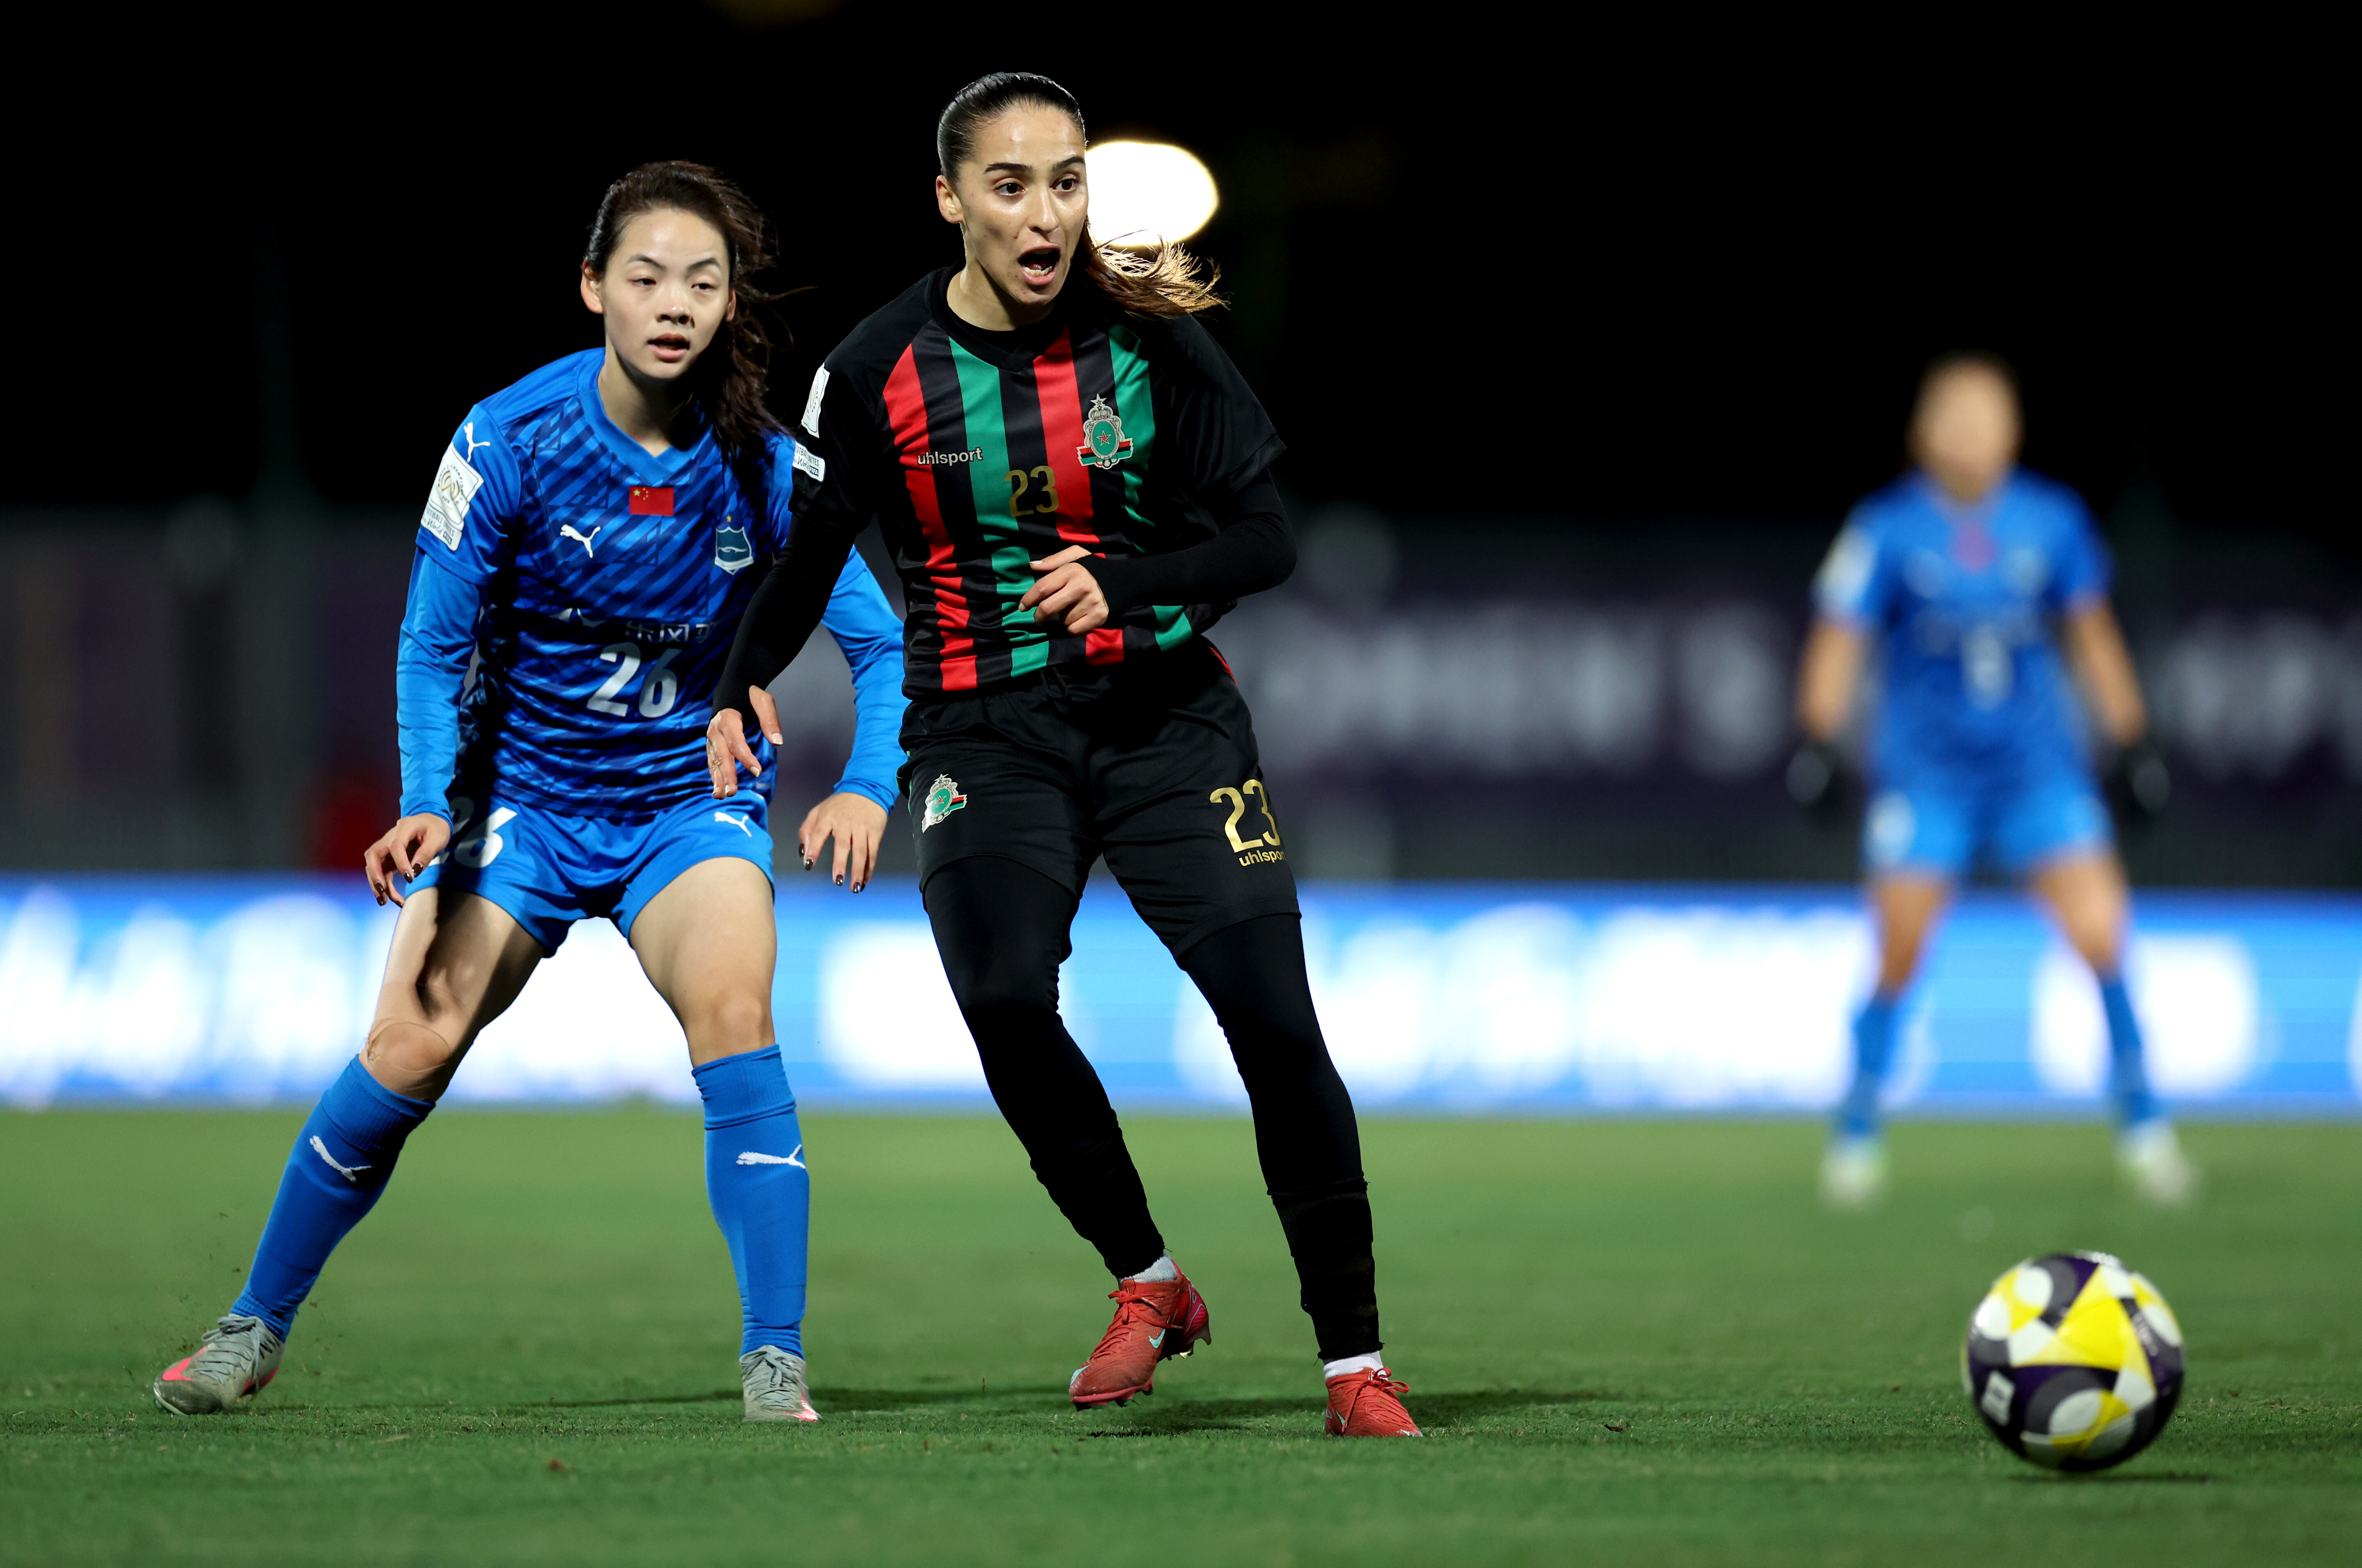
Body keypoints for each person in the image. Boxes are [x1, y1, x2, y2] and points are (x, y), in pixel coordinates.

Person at [706, 73, 1418, 1437]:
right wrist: (737, 678)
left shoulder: (1150, 341)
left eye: (1067, 182)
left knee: (1274, 1025)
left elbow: (1265, 539)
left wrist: (1126, 580)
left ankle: (1355, 1365)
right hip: (984, 733)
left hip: (1165, 721)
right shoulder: (872, 369)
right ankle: (1148, 1279)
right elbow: (806, 560)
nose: (1045, 215)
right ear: (950, 201)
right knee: (1001, 996)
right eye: (1011, 186)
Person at [149, 162, 906, 1424]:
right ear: (594, 286)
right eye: (648, 276)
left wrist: (871, 785)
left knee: (734, 1012)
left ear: (729, 305)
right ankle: (251, 1325)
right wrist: (426, 799)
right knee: (412, 1042)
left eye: (703, 282)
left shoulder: (767, 464)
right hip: (525, 800)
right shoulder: (507, 438)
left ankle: (775, 1359)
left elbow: (878, 644)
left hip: (685, 803)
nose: (675, 303)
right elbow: (431, 644)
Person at [1790, 352, 2195, 1208]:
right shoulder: (1887, 527)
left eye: (1986, 416)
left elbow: (2091, 632)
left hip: (2035, 770)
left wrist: (2133, 739)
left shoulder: (2051, 520)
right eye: (1954, 416)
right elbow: (1838, 636)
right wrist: (1817, 737)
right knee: (1898, 949)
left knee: (2103, 934)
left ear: (2013, 431)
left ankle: (2145, 1127)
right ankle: (1857, 1127)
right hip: (1927, 776)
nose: (1970, 434)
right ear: (1920, 433)